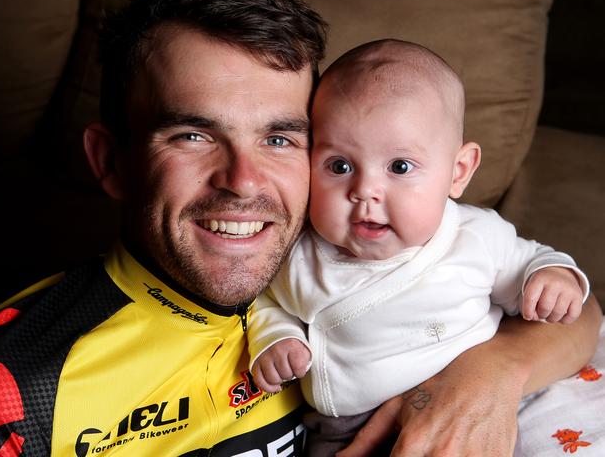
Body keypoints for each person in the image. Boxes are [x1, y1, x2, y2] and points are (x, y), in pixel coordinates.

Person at [0, 0, 601, 456]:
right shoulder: (12, 382)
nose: (243, 182)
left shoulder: (348, 248)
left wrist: (485, 378)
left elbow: (578, 314)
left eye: (280, 138)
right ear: (112, 161)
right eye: (193, 135)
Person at [248, 39, 591, 455]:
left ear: (457, 172)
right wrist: (278, 340)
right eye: (339, 166)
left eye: (400, 167)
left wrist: (553, 277)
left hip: (480, 406)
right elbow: (268, 303)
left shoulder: (475, 237)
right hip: (345, 428)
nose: (366, 191)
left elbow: (532, 261)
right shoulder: (302, 257)